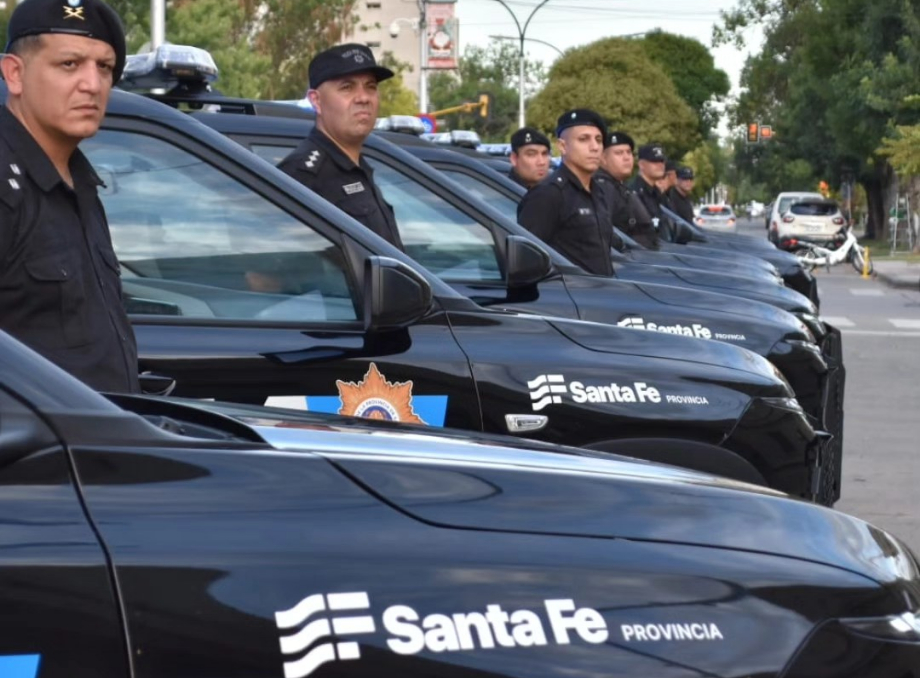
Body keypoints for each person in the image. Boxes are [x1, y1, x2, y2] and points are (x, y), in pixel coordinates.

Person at [0, 0, 139, 393]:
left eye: (105, 67)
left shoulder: (78, 182)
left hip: (94, 441)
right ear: (15, 74)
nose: (92, 85)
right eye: (69, 64)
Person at [278, 44, 402, 248]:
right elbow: (263, 277)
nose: (363, 98)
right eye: (347, 87)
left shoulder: (358, 168)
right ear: (316, 101)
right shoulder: (302, 176)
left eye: (370, 86)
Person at [517, 109, 613, 276]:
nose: (594, 147)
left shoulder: (597, 192)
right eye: (583, 139)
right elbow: (525, 262)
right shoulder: (549, 194)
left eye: (598, 140)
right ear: (562, 146)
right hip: (570, 296)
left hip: (603, 294)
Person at [596, 130, 660, 250]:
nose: (626, 158)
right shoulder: (604, 187)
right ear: (603, 159)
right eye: (619, 153)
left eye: (629, 152)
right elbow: (605, 236)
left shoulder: (620, 186)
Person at [629, 143, 671, 239]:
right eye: (654, 161)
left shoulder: (657, 193)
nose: (660, 165)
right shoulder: (634, 193)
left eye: (662, 161)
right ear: (641, 165)